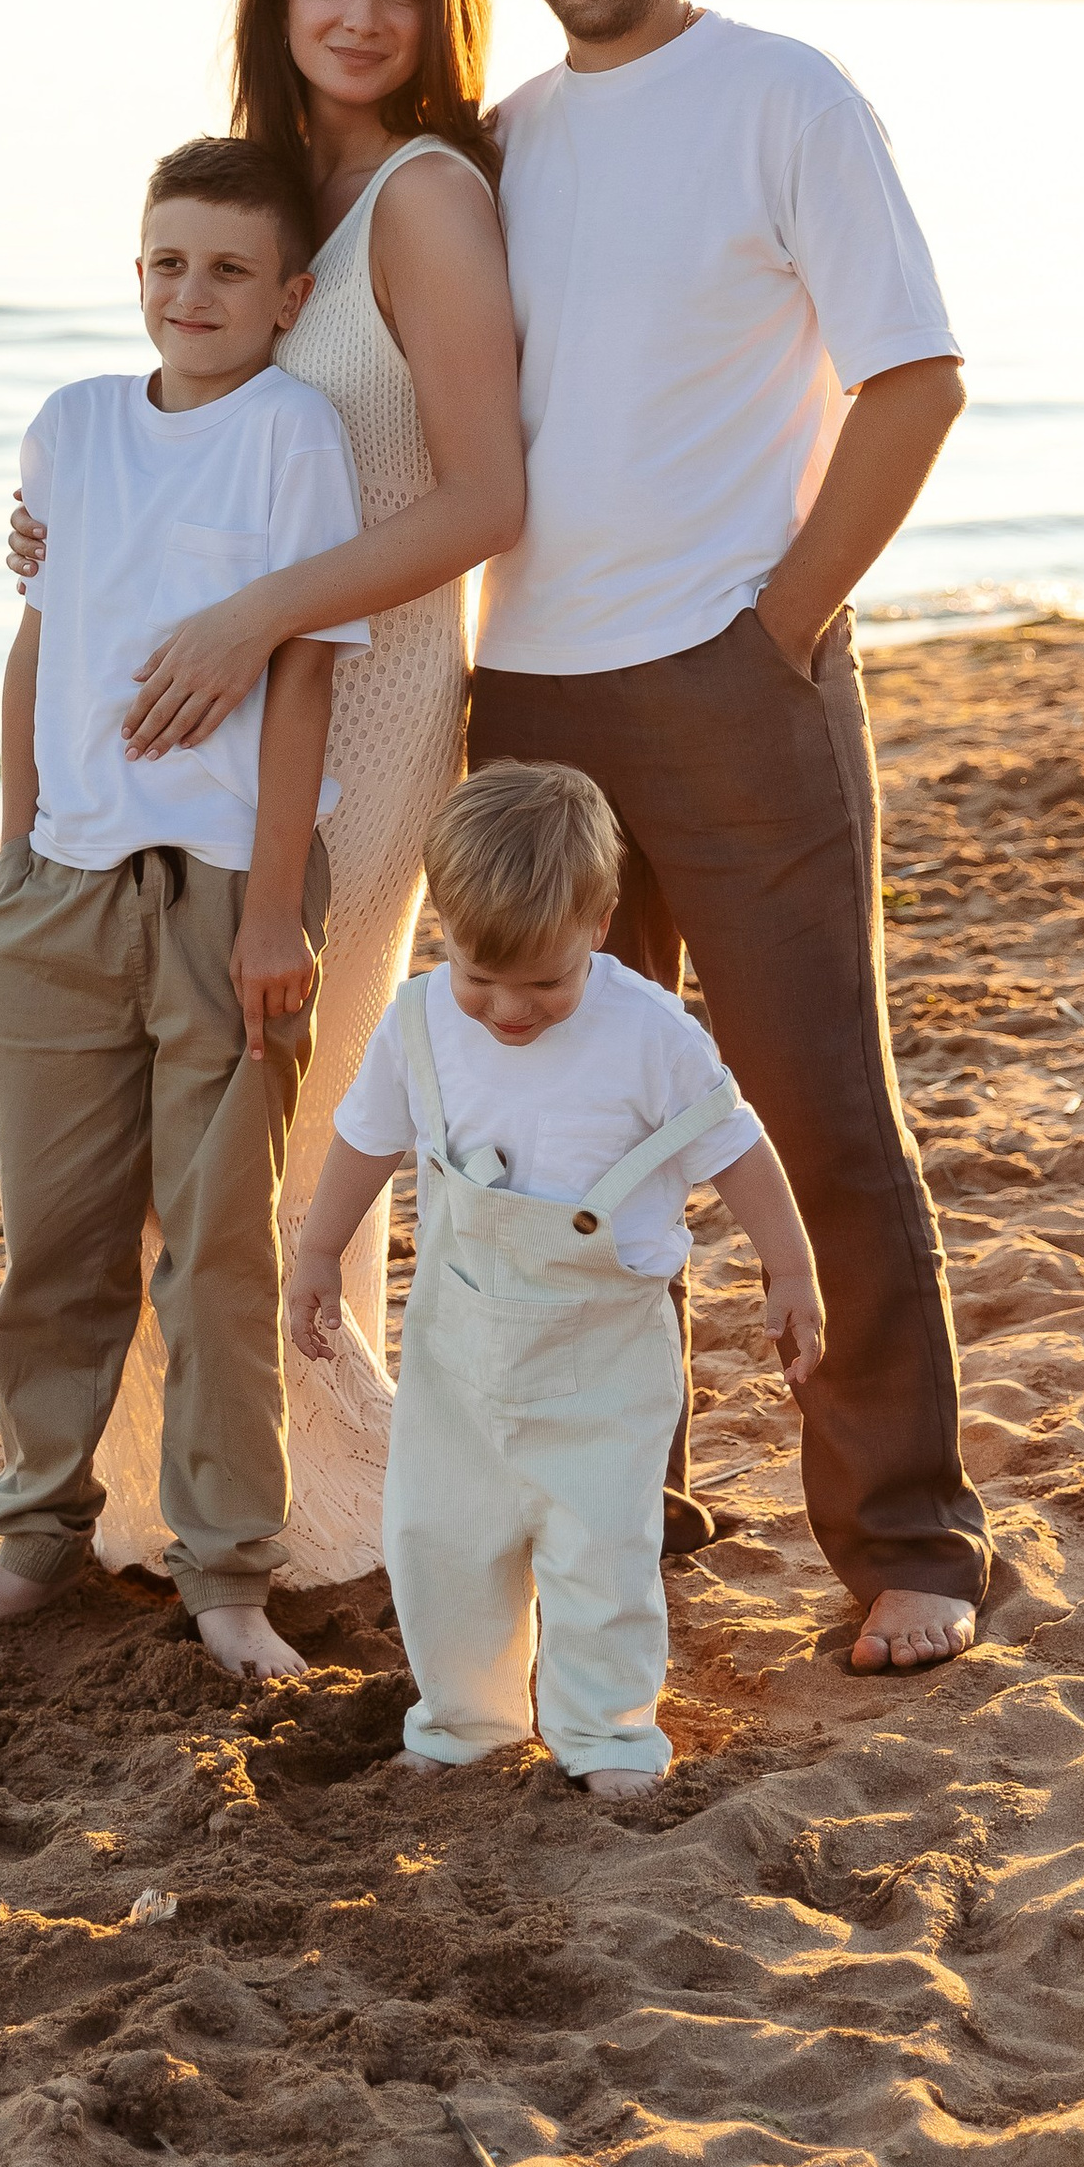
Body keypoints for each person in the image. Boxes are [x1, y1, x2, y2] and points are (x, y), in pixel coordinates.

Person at [469, 0, 985, 1674]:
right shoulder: (497, 146)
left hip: (733, 684)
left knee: (818, 1119)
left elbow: (914, 382)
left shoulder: (786, 98)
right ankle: (629, 1501)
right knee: (565, 1134)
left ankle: (908, 1543)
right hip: (521, 699)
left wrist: (780, 626)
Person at [12, 0, 525, 1600]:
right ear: (279, 1)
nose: (362, 17)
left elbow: (485, 495)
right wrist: (79, 533)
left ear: (441, 10)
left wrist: (253, 615)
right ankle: (204, 1498)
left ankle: (315, 1512)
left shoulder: (428, 201)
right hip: (182, 739)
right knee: (200, 1129)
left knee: (284, 1122)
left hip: (359, 706)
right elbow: (185, 441)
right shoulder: (263, 201)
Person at [0, 137, 371, 1685]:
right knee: (57, 1244)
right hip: (61, 891)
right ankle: (32, 1541)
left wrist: (268, 910)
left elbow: (304, 664)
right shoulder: (74, 427)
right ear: (137, 272)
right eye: (169, 262)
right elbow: (40, 641)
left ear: (290, 294)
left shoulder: (296, 435)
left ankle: (228, 1572)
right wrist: (13, 858)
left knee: (219, 1254)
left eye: (232, 268)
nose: (195, 292)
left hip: (228, 896)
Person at [288, 762, 822, 1794]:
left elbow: (735, 1152)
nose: (508, 1010)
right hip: (456, 1348)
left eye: (544, 983)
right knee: (439, 1542)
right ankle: (466, 1725)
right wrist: (316, 1252)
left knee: (601, 1555)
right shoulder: (419, 1022)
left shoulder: (648, 1034)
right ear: (439, 922)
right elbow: (362, 1140)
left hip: (604, 1357)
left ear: (601, 922)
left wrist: (788, 1266)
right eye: (479, 978)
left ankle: (605, 1738)